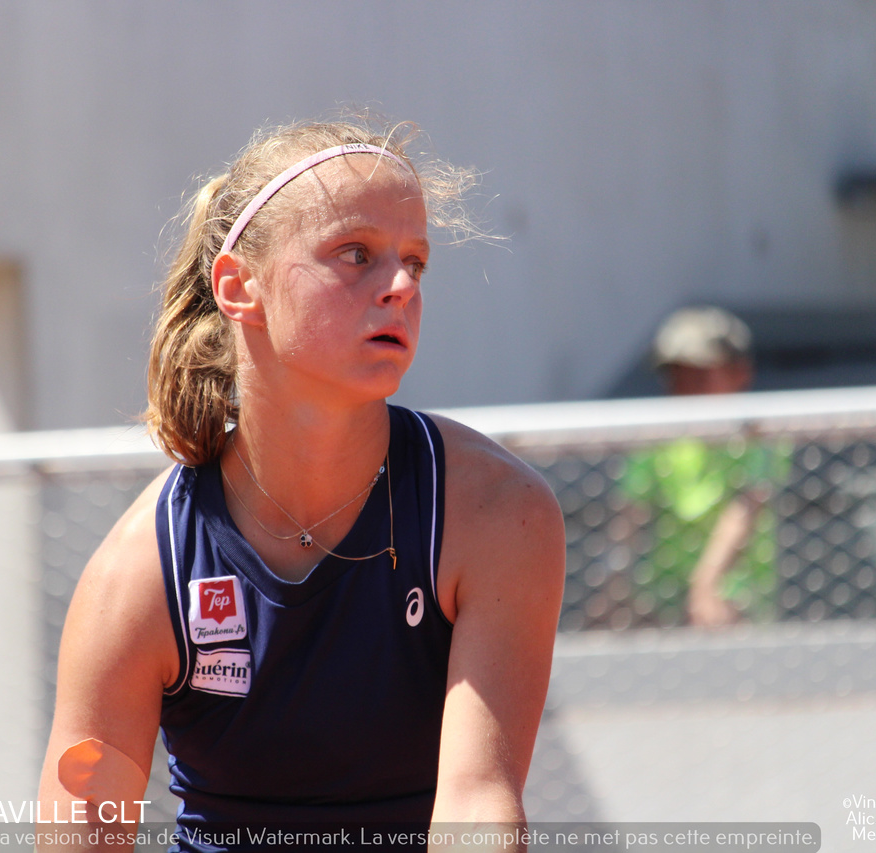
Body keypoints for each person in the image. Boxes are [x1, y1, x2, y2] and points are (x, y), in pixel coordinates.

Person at [36, 117, 566, 852]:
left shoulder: (497, 512)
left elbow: (478, 808)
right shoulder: (140, 571)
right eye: (356, 254)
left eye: (415, 261)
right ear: (238, 286)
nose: (402, 286)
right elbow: (81, 833)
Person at [619, 306, 788, 627]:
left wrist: (706, 586)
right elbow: (630, 514)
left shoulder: (758, 433)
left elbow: (746, 508)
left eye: (699, 375)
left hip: (737, 590)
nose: (686, 388)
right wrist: (616, 586)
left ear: (740, 373)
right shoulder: (654, 434)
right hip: (662, 592)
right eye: (676, 376)